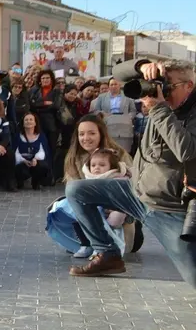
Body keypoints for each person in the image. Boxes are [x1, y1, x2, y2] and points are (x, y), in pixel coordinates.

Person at [66, 59, 196, 284]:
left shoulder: (175, 110)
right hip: (136, 192)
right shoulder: (163, 104)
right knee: (77, 190)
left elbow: (186, 151)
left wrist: (159, 108)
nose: (161, 91)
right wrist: (142, 66)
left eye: (169, 86)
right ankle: (107, 254)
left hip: (169, 208)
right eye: (160, 83)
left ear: (189, 86)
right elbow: (117, 72)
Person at [90, 77, 137, 154]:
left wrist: (128, 117)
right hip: (107, 125)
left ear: (120, 85)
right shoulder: (102, 97)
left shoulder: (128, 96)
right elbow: (96, 110)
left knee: (123, 151)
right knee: (108, 150)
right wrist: (102, 113)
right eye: (111, 84)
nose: (113, 86)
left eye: (115, 84)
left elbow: (133, 111)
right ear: (108, 86)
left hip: (123, 127)